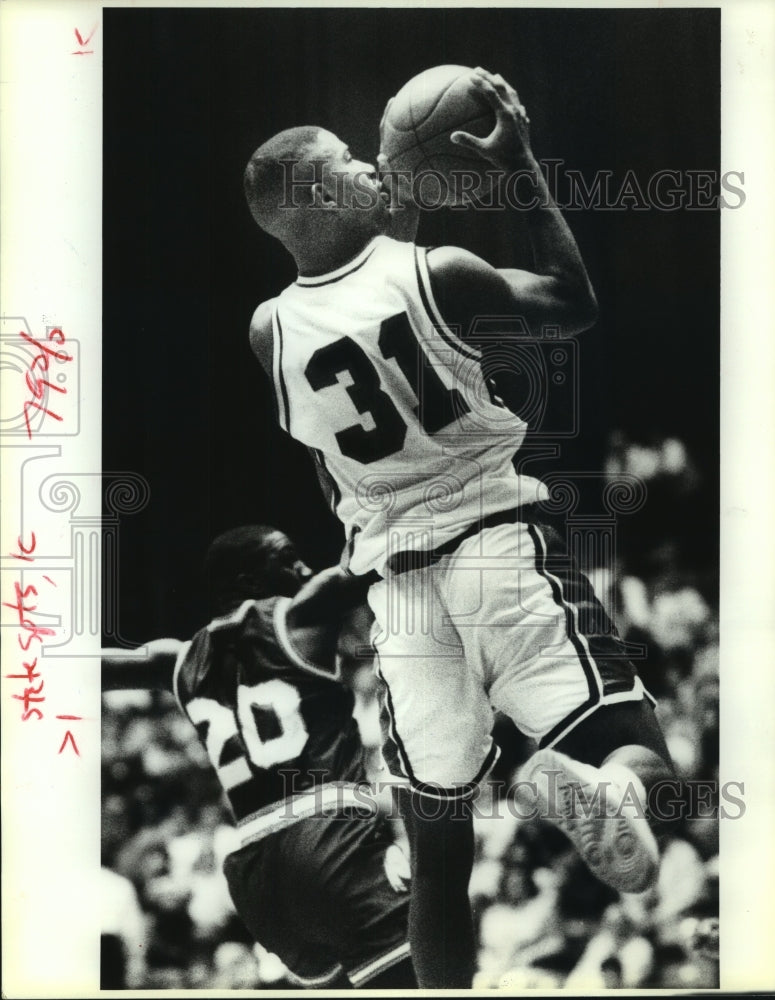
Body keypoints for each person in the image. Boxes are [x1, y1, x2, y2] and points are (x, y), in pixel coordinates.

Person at [243, 67, 675, 987]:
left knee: (438, 861)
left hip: (399, 602)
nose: (372, 165)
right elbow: (573, 301)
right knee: (645, 755)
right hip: (496, 550)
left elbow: (331, 451)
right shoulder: (443, 270)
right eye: (353, 164)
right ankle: (614, 790)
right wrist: (519, 165)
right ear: (322, 191)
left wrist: (385, 207)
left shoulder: (268, 332)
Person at [102, 525, 415, 990]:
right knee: (427, 970)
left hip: (255, 873)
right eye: (288, 559)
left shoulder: (178, 659)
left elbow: (88, 666)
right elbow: (380, 552)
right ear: (248, 580)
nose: (303, 568)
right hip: (327, 835)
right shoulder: (302, 615)